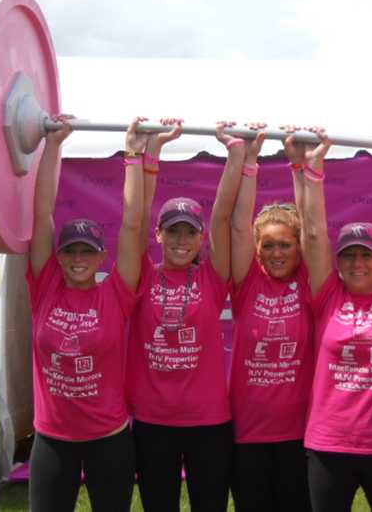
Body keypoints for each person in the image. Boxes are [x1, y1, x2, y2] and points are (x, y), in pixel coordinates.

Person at [25, 116, 178, 512]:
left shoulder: (116, 294)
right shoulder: (45, 288)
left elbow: (132, 225)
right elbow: (41, 215)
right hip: (52, 439)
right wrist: (54, 146)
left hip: (108, 439)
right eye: (70, 251)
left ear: (100, 257)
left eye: (86, 252)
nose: (78, 259)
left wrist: (133, 155)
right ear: (58, 257)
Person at [287, 128, 372, 512]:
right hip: (331, 444)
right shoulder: (327, 295)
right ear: (339, 261)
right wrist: (312, 170)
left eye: (367, 255)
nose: (357, 263)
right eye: (349, 255)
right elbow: (313, 233)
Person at [126, 120, 246, 511]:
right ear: (159, 235)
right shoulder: (142, 275)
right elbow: (136, 218)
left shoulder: (213, 279)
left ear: (200, 239)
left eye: (189, 232)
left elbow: (224, 217)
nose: (181, 240)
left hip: (208, 423)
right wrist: (148, 156)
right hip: (153, 422)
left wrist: (236, 156)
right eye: (172, 231)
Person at [226, 122, 314, 512]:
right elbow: (238, 227)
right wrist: (249, 163)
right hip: (248, 433)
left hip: (299, 434)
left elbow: (314, 229)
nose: (277, 253)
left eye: (285, 245)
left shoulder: (311, 284)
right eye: (268, 246)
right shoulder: (247, 283)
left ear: (297, 249)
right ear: (258, 250)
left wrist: (300, 167)